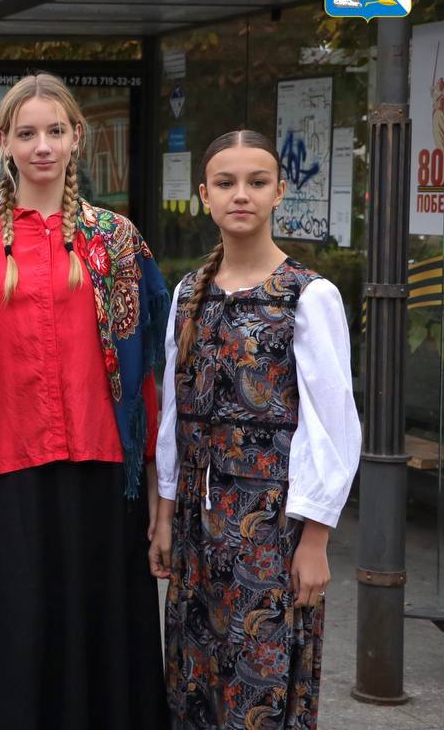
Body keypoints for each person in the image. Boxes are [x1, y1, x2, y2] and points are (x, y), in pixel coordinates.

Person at [0, 72, 171, 729]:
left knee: (104, 638)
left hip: (103, 476)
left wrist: (155, 490)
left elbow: (146, 374)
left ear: (76, 138)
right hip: (10, 474)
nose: (42, 145)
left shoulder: (115, 239)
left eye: (55, 131)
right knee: (18, 641)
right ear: (3, 141)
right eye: (27, 132)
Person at [148, 130, 361, 729]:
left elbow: (333, 423)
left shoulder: (308, 296)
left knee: (259, 673)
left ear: (279, 193)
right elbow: (174, 412)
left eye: (256, 182)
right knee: (194, 674)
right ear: (205, 196)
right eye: (226, 183)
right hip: (195, 514)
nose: (241, 195)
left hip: (272, 518)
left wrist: (316, 536)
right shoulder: (189, 293)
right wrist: (164, 514)